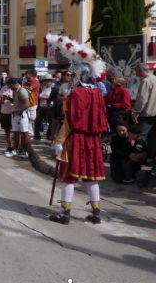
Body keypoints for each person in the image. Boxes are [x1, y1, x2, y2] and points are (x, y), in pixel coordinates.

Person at [47, 34, 108, 225]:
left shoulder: (74, 95)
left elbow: (69, 121)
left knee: (70, 177)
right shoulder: (98, 94)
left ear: (80, 76)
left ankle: (65, 213)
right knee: (91, 177)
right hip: (93, 140)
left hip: (76, 139)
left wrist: (58, 141)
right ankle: (96, 213)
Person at [131, 63, 156, 162]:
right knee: (153, 138)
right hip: (154, 113)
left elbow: (142, 99)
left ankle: (139, 158)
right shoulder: (154, 78)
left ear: (141, 70)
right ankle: (151, 157)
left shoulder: (146, 81)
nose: (136, 74)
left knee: (142, 137)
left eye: (136, 71)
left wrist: (136, 112)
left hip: (147, 114)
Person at [8, 78, 31, 159]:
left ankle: (27, 151)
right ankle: (15, 150)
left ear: (14, 84)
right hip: (16, 115)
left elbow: (27, 104)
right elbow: (17, 102)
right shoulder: (16, 91)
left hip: (22, 115)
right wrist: (9, 99)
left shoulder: (22, 91)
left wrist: (18, 111)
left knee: (25, 134)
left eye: (9, 85)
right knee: (16, 133)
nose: (9, 87)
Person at [0, 77, 16, 155]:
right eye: (7, 83)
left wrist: (9, 98)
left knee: (14, 131)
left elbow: (17, 101)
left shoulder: (15, 89)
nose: (7, 85)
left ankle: (15, 147)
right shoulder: (3, 88)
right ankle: (9, 146)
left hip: (13, 112)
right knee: (7, 131)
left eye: (9, 83)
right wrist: (1, 100)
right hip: (4, 112)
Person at [34, 74, 54, 140]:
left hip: (50, 107)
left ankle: (49, 135)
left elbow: (54, 97)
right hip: (41, 106)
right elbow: (37, 95)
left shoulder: (53, 88)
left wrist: (47, 98)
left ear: (51, 81)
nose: (47, 82)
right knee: (37, 121)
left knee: (50, 122)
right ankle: (37, 135)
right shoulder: (41, 87)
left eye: (49, 80)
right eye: (45, 80)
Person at [24, 69, 40, 140]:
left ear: (30, 75)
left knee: (31, 118)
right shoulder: (26, 82)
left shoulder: (35, 81)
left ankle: (30, 133)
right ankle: (29, 134)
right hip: (26, 103)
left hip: (33, 103)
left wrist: (22, 88)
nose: (25, 75)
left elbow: (29, 89)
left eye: (26, 74)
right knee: (27, 119)